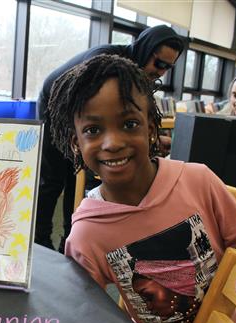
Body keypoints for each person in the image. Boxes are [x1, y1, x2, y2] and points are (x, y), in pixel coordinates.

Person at [47, 54, 236, 323]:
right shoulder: (87, 233)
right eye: (93, 130)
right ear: (76, 144)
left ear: (151, 129)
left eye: (129, 124)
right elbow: (80, 310)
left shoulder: (197, 181)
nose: (113, 143)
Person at [36, 25, 185, 252]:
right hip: (55, 106)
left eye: (168, 67)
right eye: (159, 63)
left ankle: (69, 238)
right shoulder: (107, 60)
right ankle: (40, 243)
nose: (161, 71)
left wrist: (153, 139)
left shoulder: (138, 74)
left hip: (86, 119)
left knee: (76, 175)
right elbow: (87, 107)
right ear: (145, 49)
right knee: (52, 178)